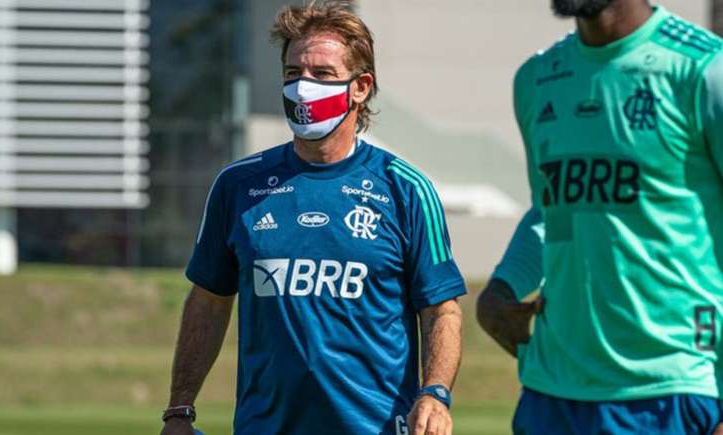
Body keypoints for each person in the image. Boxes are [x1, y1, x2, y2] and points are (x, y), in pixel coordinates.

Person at [160, 3, 467, 435]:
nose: (302, 88)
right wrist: (180, 409)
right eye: (292, 74)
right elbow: (208, 302)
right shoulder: (238, 185)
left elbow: (441, 310)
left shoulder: (406, 188)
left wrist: (434, 394)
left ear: (360, 87)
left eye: (321, 75)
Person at [477, 0, 723, 433]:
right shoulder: (538, 78)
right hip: (552, 391)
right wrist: (502, 288)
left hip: (671, 389)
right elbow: (551, 211)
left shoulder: (703, 69)